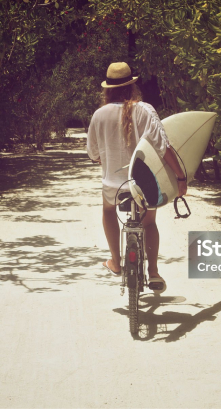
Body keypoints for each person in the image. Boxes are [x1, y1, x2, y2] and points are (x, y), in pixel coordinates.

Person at [87, 62, 187, 293]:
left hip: (113, 184)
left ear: (107, 89)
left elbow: (93, 154)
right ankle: (153, 272)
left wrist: (107, 157)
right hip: (143, 183)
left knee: (108, 210)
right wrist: (180, 178)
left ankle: (115, 261)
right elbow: (163, 147)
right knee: (149, 222)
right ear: (132, 85)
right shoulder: (144, 110)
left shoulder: (99, 115)